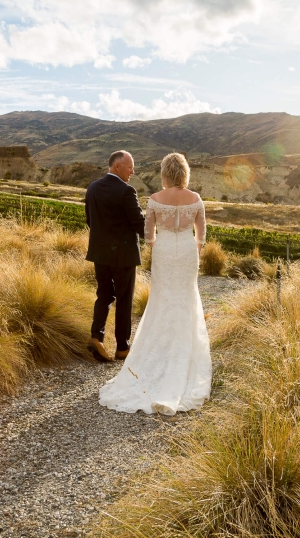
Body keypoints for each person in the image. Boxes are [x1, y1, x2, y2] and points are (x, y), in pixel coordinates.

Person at [99, 152, 211, 416]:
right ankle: (183, 356)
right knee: (186, 298)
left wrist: (157, 247)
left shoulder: (155, 200)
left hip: (162, 252)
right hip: (186, 251)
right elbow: (201, 234)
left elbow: (148, 234)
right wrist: (193, 248)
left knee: (161, 299)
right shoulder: (195, 199)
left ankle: (154, 358)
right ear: (184, 173)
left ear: (164, 172)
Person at [84, 150, 146, 362]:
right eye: (130, 167)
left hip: (99, 253)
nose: (132, 171)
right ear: (117, 166)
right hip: (124, 256)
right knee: (124, 299)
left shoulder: (92, 188)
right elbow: (140, 225)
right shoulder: (126, 191)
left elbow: (89, 220)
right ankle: (122, 348)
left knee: (104, 294)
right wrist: (158, 232)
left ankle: (96, 337)